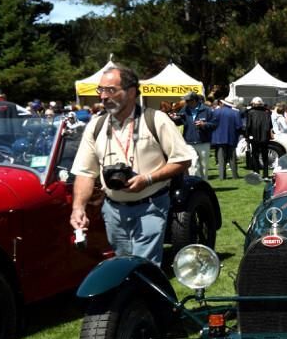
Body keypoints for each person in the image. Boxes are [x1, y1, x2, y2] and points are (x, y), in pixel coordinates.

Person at [69, 64, 195, 266]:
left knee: (143, 267)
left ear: (131, 92)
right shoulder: (96, 126)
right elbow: (85, 172)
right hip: (113, 212)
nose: (102, 96)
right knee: (122, 266)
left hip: (151, 206)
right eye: (100, 90)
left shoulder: (156, 120)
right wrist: (78, 208)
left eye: (110, 90)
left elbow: (182, 160)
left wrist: (148, 178)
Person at [180, 92, 213, 177]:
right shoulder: (184, 109)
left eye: (187, 101)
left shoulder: (207, 110)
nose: (186, 103)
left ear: (194, 100)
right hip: (189, 142)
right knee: (193, 164)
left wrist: (204, 124)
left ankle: (203, 185)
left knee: (204, 166)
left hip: (203, 141)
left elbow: (214, 124)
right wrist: (174, 118)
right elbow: (180, 120)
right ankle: (195, 184)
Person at [210, 99, 242, 180]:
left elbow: (212, 125)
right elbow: (239, 126)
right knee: (232, 157)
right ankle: (235, 175)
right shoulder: (235, 112)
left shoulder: (216, 112)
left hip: (219, 138)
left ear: (222, 103)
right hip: (232, 137)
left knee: (221, 158)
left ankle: (222, 176)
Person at [244, 97, 273, 178]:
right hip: (265, 137)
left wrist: (247, 136)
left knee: (255, 155)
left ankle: (256, 172)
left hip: (254, 137)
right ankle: (266, 175)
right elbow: (270, 125)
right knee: (265, 156)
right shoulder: (267, 112)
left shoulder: (250, 112)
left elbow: (248, 126)